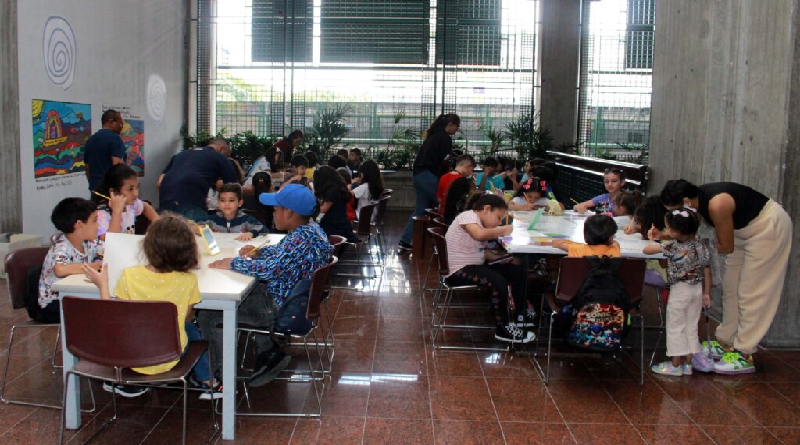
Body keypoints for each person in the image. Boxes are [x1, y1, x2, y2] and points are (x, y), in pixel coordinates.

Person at [658, 179, 792, 374]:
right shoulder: (696, 204)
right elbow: (686, 233)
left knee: (751, 292)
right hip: (742, 234)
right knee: (731, 288)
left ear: (686, 202)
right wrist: (664, 237)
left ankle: (744, 352)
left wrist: (693, 253)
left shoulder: (717, 204)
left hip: (767, 229)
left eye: (675, 211)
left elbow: (725, 246)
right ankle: (726, 341)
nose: (675, 217)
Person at [203, 184, 332, 386]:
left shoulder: (300, 238)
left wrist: (232, 263)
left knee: (209, 315)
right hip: (293, 299)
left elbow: (270, 270)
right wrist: (259, 252)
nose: (273, 214)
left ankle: (218, 377)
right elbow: (282, 253)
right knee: (248, 290)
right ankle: (268, 351)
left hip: (279, 307)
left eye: (275, 210)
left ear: (289, 212)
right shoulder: (309, 230)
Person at [83, 215, 221, 399]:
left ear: (147, 245)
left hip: (129, 356)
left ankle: (130, 383)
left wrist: (103, 285)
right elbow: (187, 317)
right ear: (188, 250)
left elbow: (112, 318)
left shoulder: (129, 275)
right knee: (192, 329)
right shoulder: (189, 280)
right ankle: (209, 381)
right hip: (169, 357)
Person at [444, 194, 535, 343]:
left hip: (472, 266)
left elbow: (482, 251)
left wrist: (502, 258)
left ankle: (521, 313)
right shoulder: (468, 216)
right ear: (487, 209)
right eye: (498, 217)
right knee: (497, 282)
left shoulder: (479, 222)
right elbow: (479, 235)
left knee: (516, 268)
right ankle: (503, 329)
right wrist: (503, 230)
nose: (499, 222)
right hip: (458, 271)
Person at [644, 208, 715, 376]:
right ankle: (688, 364)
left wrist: (655, 240)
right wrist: (706, 293)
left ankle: (675, 365)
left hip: (680, 290)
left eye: (668, 228)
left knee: (675, 326)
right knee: (691, 326)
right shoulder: (700, 245)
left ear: (676, 232)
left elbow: (647, 250)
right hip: (697, 290)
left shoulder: (673, 247)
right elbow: (707, 270)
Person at [399, 113, 461, 251]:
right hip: (429, 176)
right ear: (450, 124)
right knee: (446, 205)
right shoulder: (445, 138)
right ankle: (451, 243)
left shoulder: (432, 135)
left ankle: (405, 241)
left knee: (420, 210)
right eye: (457, 126)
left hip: (418, 175)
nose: (457, 130)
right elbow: (444, 162)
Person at [38, 198, 104, 323]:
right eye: (95, 221)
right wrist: (96, 265)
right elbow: (60, 270)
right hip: (54, 303)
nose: (98, 225)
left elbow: (111, 247)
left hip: (75, 295)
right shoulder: (62, 247)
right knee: (100, 310)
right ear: (79, 224)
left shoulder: (89, 243)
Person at [157, 137, 238, 220]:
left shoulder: (180, 155)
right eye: (227, 155)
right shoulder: (221, 158)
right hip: (191, 201)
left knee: (168, 227)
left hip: (166, 200)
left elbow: (159, 182)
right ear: (221, 148)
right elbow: (234, 188)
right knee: (194, 227)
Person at [92, 164, 159, 238]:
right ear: (113, 192)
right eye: (130, 189)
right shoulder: (101, 214)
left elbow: (145, 206)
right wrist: (117, 212)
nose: (136, 193)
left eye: (137, 187)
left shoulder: (131, 204)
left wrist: (157, 225)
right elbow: (111, 240)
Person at [194, 183, 267, 240]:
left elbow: (263, 229)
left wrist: (251, 233)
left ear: (240, 203)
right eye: (223, 200)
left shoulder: (246, 219)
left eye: (231, 200)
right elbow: (193, 226)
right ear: (218, 202)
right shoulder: (211, 220)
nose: (227, 204)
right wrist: (196, 228)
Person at [84, 109, 125, 191]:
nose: (121, 126)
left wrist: (92, 183)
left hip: (95, 187)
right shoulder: (115, 138)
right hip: (110, 187)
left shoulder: (90, 139)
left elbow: (87, 167)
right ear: (111, 122)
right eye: (120, 123)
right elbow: (117, 166)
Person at [315, 165, 358, 242]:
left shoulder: (332, 191)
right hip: (343, 224)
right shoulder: (339, 187)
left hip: (334, 227)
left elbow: (324, 208)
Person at [552, 214, 621, 257]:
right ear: (610, 237)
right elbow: (615, 243)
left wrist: (574, 244)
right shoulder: (615, 249)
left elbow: (556, 243)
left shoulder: (578, 249)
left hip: (581, 277)